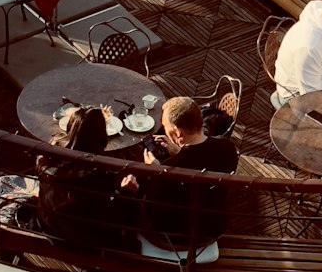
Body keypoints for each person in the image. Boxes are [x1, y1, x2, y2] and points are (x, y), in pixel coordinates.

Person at [124, 96, 238, 250]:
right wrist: (179, 153)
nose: (164, 130)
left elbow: (154, 214)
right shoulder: (228, 147)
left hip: (177, 237)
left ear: (177, 133)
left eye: (165, 126)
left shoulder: (169, 169)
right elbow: (199, 161)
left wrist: (155, 173)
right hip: (214, 227)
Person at [35, 106, 135, 249]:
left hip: (48, 225)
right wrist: (127, 192)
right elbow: (110, 217)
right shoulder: (92, 176)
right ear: (101, 135)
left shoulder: (47, 156)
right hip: (78, 241)